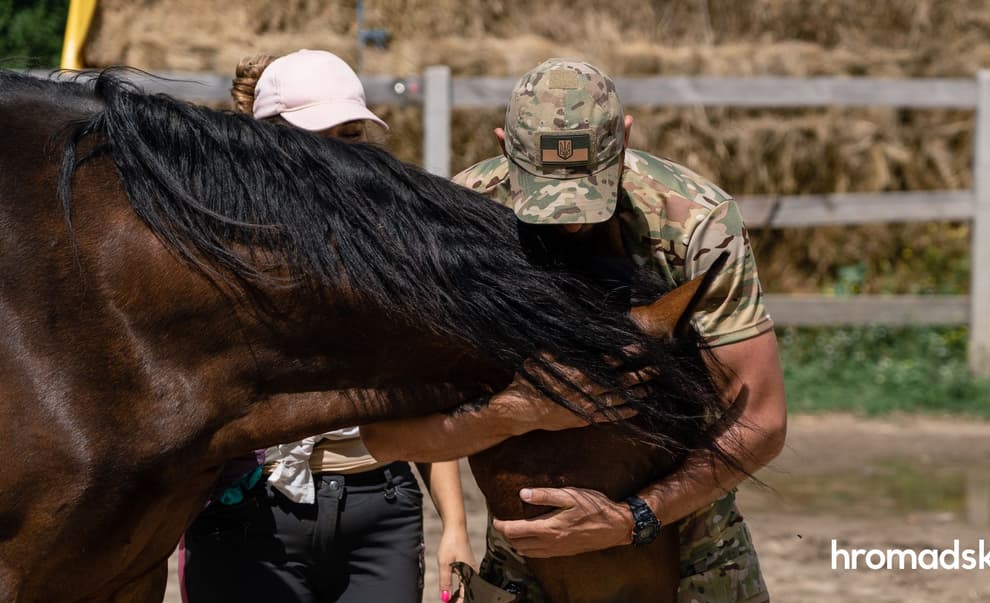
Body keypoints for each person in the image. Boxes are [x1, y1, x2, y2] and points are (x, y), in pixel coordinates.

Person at [361, 58, 787, 602]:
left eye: (590, 193)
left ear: (626, 138)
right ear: (502, 146)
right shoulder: (457, 222)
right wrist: (518, 412)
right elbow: (386, 435)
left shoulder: (693, 221)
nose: (570, 221)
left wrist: (634, 519)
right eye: (545, 196)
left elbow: (762, 418)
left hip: (690, 543)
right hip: (525, 556)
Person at [180, 49, 475, 603]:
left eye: (352, 134)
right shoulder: (211, 249)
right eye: (322, 135)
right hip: (250, 518)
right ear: (265, 141)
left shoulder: (399, 251)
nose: (341, 156)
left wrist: (455, 528)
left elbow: (425, 394)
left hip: (380, 514)